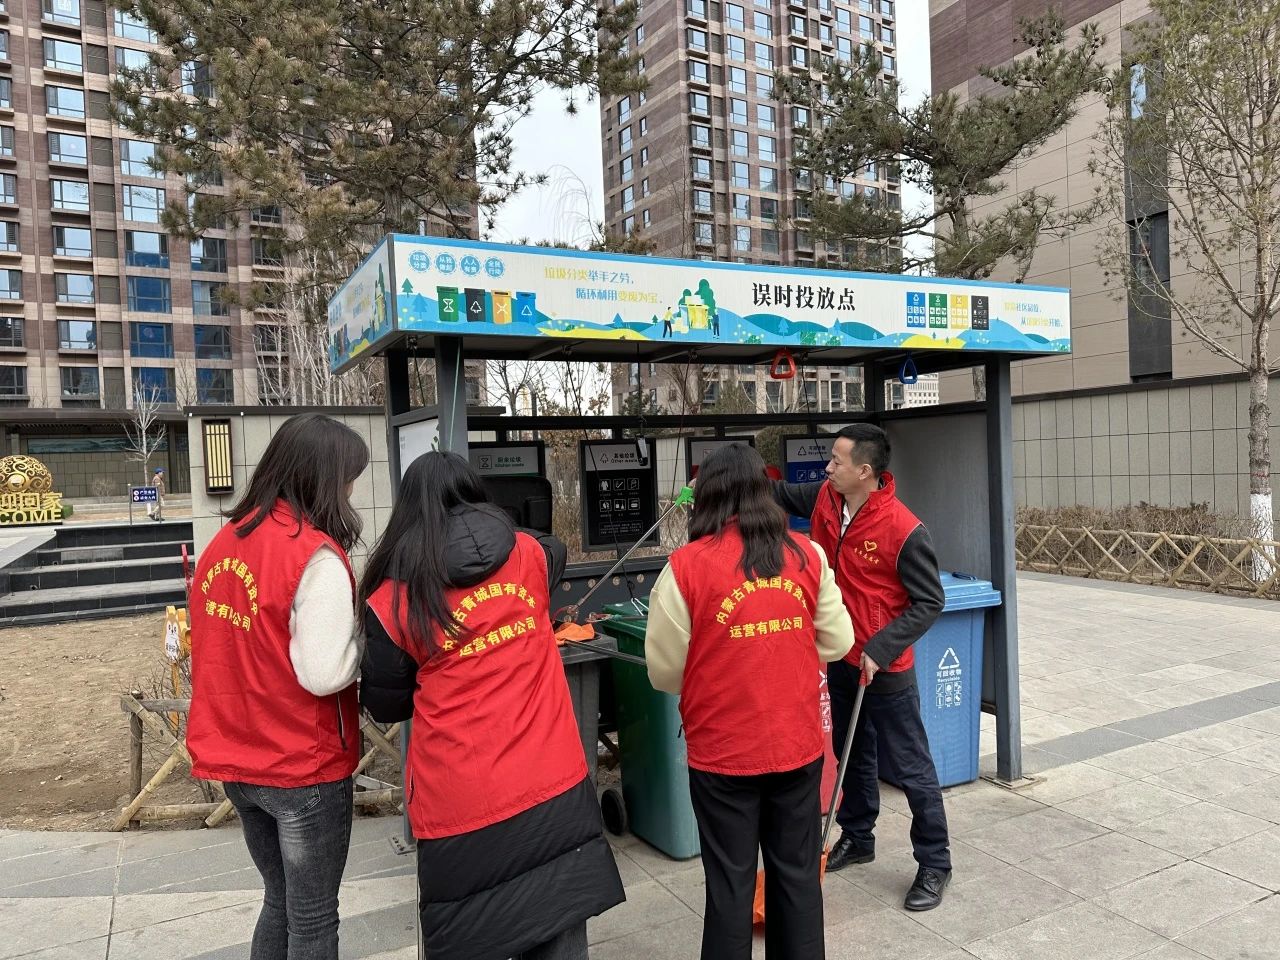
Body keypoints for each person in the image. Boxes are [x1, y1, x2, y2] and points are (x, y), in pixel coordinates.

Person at [358, 452, 624, 960]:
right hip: (551, 780)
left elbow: (386, 705)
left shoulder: (394, 597)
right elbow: (556, 546)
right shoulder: (529, 556)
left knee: (474, 936)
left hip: (460, 800)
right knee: (560, 927)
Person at [646, 443, 855, 960]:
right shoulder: (807, 554)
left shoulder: (685, 567)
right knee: (798, 879)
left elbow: (665, 672)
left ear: (708, 496)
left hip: (722, 756)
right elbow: (838, 641)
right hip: (797, 746)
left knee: (730, 888)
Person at [187, 413, 370, 960]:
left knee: (279, 901)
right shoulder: (312, 555)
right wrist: (367, 638)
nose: (350, 491)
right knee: (312, 919)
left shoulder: (225, 542)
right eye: (347, 478)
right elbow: (324, 672)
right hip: (300, 764)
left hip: (237, 759)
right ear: (322, 478)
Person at [773, 423, 951, 912]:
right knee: (851, 752)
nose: (827, 467)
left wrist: (882, 646)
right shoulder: (826, 500)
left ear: (865, 470)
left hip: (885, 667)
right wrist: (722, 480)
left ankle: (935, 862)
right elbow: (778, 493)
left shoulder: (904, 529)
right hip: (842, 658)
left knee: (911, 766)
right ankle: (858, 836)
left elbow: (929, 601)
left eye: (837, 460)